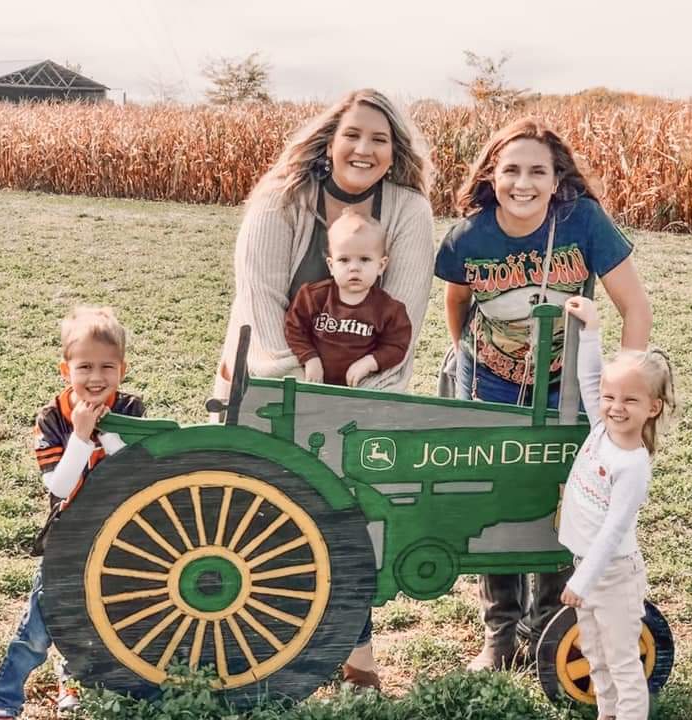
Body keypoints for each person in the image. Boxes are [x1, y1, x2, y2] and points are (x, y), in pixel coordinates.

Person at [215, 88, 435, 690]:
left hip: (361, 393)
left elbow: (404, 323)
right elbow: (261, 302)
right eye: (353, 135)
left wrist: (362, 400)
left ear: (394, 153)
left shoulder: (409, 213)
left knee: (353, 514)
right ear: (329, 142)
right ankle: (262, 648)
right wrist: (300, 386)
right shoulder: (281, 199)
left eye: (380, 139)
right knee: (258, 516)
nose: (364, 149)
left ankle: (357, 654)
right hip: (270, 377)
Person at [434, 117, 652, 670]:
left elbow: (635, 307)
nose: (523, 182)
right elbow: (457, 304)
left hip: (568, 387)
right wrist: (473, 361)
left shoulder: (582, 221)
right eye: (511, 170)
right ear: (492, 175)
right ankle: (501, 635)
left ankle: (552, 627)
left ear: (558, 180)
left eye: (538, 171)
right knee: (499, 499)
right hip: (491, 381)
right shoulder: (468, 236)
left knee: (569, 497)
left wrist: (618, 385)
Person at [0, 306, 145, 719]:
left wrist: (112, 435)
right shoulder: (52, 419)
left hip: (120, 535)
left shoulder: (132, 411)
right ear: (65, 368)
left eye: (107, 366)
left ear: (122, 370)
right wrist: (83, 436)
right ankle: (4, 701)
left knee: (103, 618)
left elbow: (138, 475)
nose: (95, 377)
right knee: (38, 626)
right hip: (68, 536)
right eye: (84, 366)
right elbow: (59, 485)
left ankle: (73, 682)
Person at [560, 295, 675, 720]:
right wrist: (591, 328)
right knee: (594, 653)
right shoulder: (601, 429)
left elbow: (613, 531)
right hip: (586, 567)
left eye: (630, 400)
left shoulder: (632, 465)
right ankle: (607, 714)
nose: (615, 406)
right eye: (612, 398)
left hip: (610, 575)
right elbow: (591, 380)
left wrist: (584, 580)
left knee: (624, 663)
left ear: (652, 408)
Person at [285, 209, 412, 387]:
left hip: (358, 389)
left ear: (381, 265)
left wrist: (370, 362)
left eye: (365, 259)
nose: (354, 268)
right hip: (315, 383)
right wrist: (309, 357)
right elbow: (294, 328)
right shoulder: (313, 297)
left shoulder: (389, 310)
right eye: (344, 260)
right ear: (331, 265)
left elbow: (397, 345)